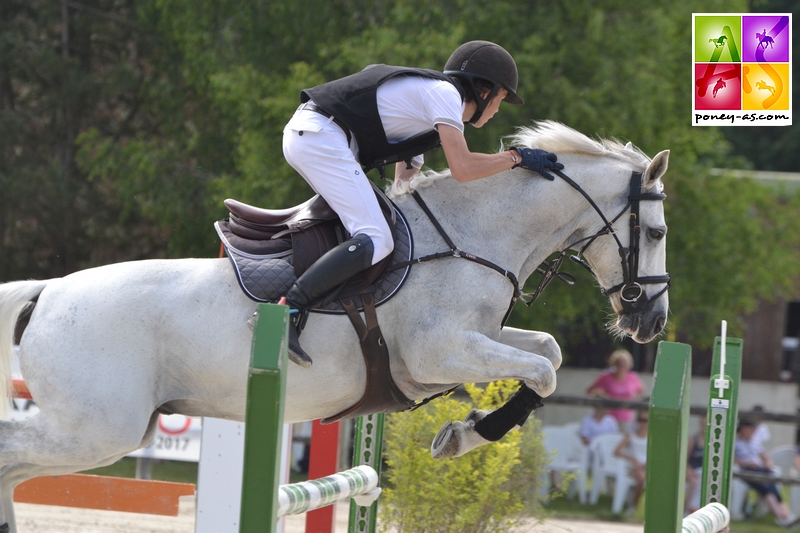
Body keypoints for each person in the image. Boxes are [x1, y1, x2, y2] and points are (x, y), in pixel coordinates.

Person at [280, 41, 564, 366]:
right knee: (377, 237)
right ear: (484, 91)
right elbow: (463, 168)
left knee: (388, 232)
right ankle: (290, 307)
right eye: (501, 99)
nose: (499, 109)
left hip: (319, 136)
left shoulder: (427, 115)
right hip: (319, 136)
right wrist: (516, 157)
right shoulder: (445, 96)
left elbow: (404, 183)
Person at [734, 420, 799, 527]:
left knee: (772, 488)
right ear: (743, 428)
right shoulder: (735, 443)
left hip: (759, 470)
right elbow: (733, 460)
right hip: (745, 471)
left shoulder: (753, 443)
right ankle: (782, 516)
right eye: (751, 429)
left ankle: (786, 515)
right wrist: (747, 463)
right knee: (767, 489)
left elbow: (764, 456)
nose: (753, 432)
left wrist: (768, 463)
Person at [586, 349, 645, 432]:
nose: (621, 367)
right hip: (609, 417)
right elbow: (589, 391)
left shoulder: (632, 377)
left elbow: (641, 390)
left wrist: (632, 397)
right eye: (619, 364)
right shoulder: (606, 377)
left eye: (624, 365)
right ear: (614, 364)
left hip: (626, 417)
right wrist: (602, 396)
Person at [614, 409, 649, 514]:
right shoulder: (631, 435)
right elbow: (617, 451)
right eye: (641, 420)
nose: (643, 423)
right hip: (632, 468)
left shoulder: (652, 437)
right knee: (641, 477)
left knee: (643, 475)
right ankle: (633, 506)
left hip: (646, 467)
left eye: (646, 420)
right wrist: (632, 459)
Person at [684, 416, 707, 516]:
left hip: (704, 473)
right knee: (694, 482)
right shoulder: (693, 440)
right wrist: (689, 471)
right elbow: (685, 459)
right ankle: (687, 510)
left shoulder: (713, 442)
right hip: (691, 471)